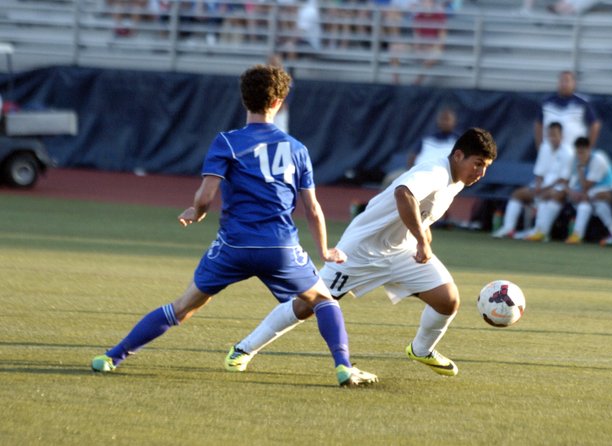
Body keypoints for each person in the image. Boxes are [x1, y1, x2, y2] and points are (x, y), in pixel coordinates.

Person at [90, 64, 378, 387]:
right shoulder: (297, 149)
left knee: (183, 307)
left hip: (233, 247)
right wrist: (324, 249)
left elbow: (206, 195)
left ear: (244, 100)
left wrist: (196, 212)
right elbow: (312, 208)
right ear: (278, 102)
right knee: (323, 300)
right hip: (280, 248)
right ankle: (343, 366)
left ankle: (113, 356)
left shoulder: (227, 143)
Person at [223, 128, 497, 377]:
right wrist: (422, 242)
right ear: (458, 155)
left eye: (485, 167)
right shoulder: (436, 172)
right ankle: (244, 349)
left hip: (401, 253)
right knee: (306, 304)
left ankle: (421, 350)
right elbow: (404, 194)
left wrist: (423, 236)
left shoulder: (457, 180)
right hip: (361, 251)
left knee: (447, 300)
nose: (481, 173)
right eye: (478, 164)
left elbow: (421, 212)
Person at [492, 122, 574, 241]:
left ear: (561, 135)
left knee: (552, 196)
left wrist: (544, 190)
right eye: (550, 135)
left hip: (558, 188)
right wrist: (538, 186)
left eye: (555, 135)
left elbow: (563, 179)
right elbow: (539, 173)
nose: (552, 138)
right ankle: (508, 228)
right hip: (542, 187)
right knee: (517, 194)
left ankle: (542, 232)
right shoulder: (544, 148)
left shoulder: (568, 153)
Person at [564, 137, 612, 245]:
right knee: (590, 206)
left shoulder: (598, 159)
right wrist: (572, 193)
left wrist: (581, 169)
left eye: (582, 152)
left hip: (610, 189)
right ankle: (577, 235)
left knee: (593, 201)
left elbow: (586, 186)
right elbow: (566, 182)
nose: (580, 156)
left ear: (589, 149)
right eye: (578, 152)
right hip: (591, 193)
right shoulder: (574, 159)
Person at [534, 71, 601, 153]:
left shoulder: (582, 103)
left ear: (574, 84)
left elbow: (595, 125)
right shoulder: (547, 103)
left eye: (567, 81)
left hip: (573, 152)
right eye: (562, 81)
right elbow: (538, 124)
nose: (564, 84)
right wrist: (539, 146)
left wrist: (588, 148)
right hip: (550, 152)